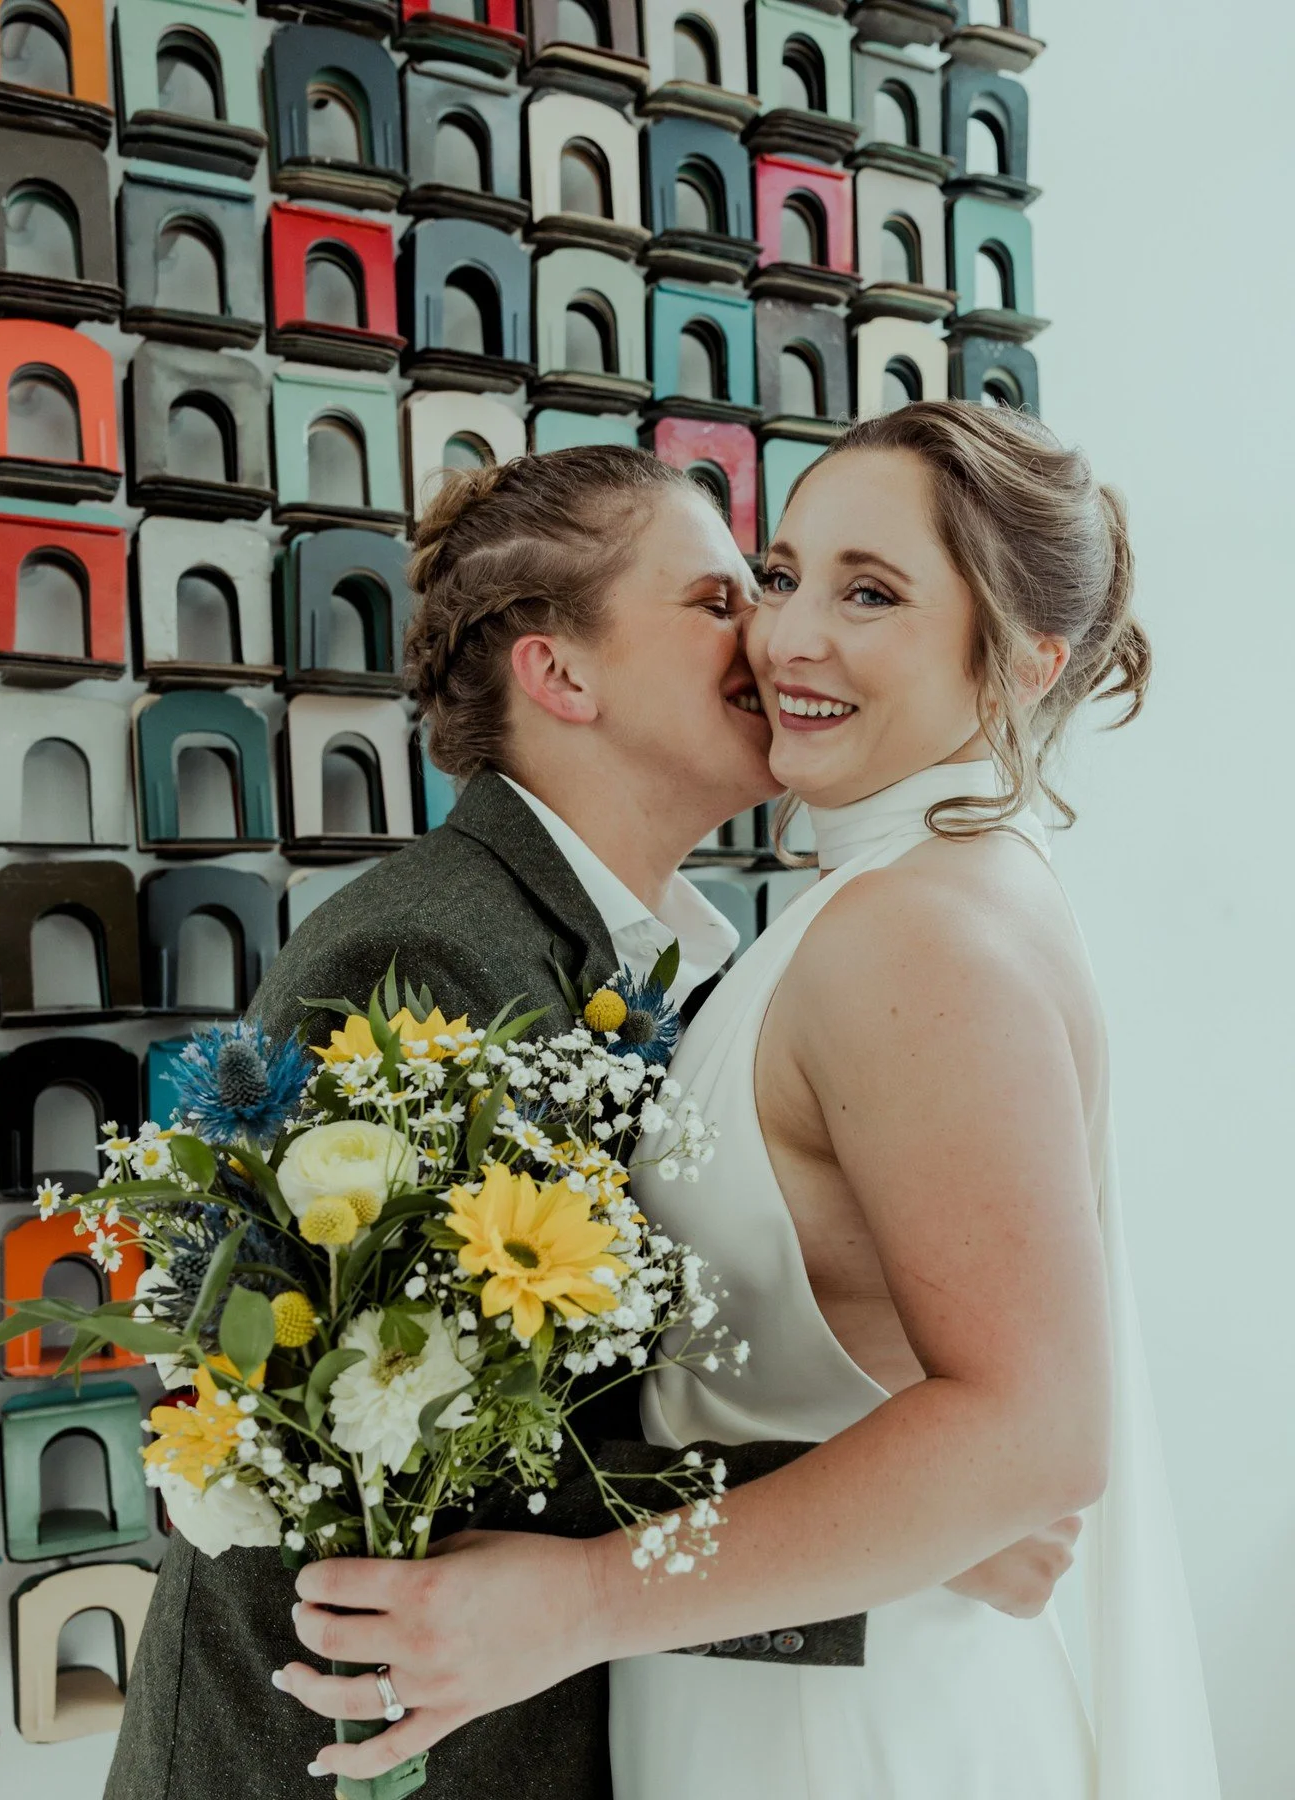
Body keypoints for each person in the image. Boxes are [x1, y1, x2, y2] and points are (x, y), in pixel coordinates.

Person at [276, 406, 1221, 1800]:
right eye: (774, 580)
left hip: (847, 1737)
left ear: (1027, 660)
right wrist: (911, 1515)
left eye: (870, 593)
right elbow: (342, 1410)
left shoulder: (914, 933)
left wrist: (590, 1597)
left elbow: (1029, 1436)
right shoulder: (845, 912)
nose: (782, 638)